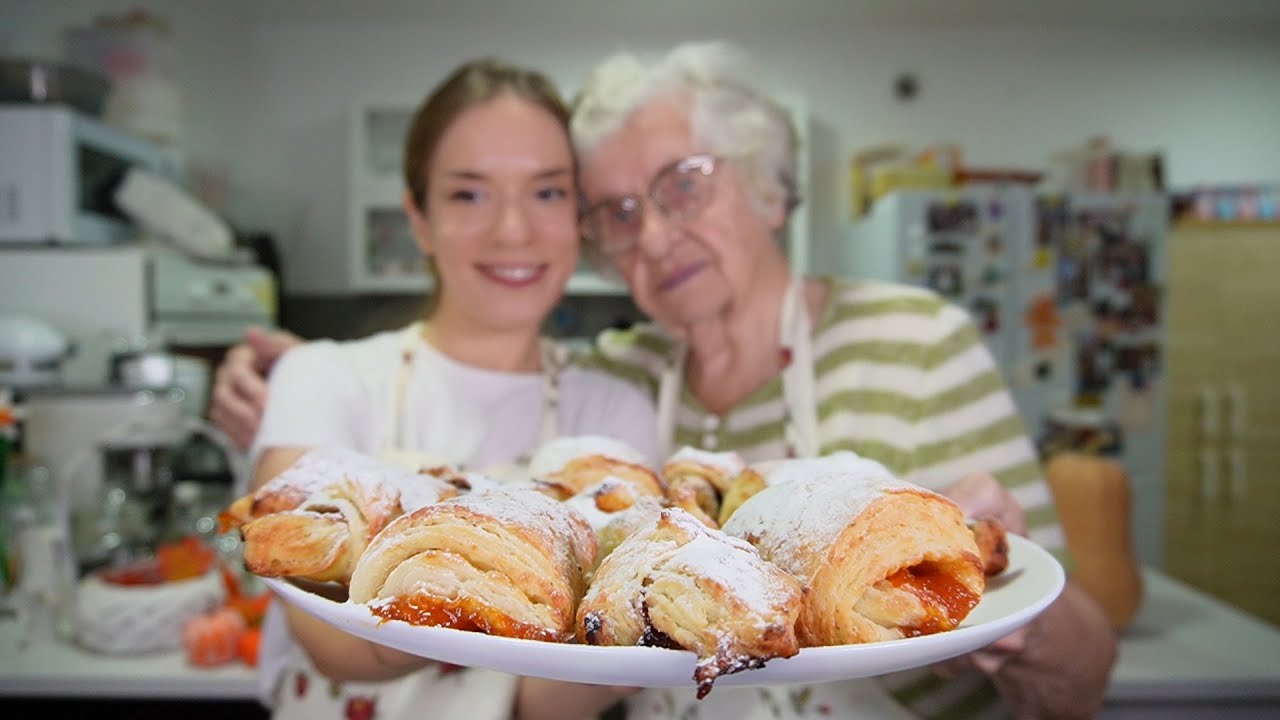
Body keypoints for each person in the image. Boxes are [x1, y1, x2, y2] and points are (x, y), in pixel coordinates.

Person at [212, 41, 1116, 720]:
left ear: (769, 186)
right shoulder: (633, 376)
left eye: (684, 185)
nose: (651, 236)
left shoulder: (917, 340)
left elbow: (1083, 676)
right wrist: (300, 384)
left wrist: (1002, 612)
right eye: (618, 210)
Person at [242, 57, 659, 720]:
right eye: (469, 193)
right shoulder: (325, 379)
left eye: (547, 192)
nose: (512, 230)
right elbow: (326, 636)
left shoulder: (612, 413)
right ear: (419, 219)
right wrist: (509, 597)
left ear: (580, 216)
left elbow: (571, 690)